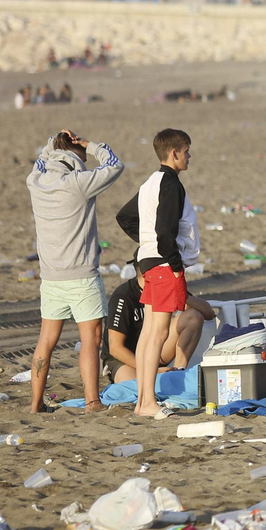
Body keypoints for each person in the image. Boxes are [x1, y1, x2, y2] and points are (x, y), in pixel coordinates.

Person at [24, 130, 125, 412]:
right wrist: (91, 145)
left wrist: (55, 139)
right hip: (81, 275)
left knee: (46, 340)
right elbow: (115, 165)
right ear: (76, 155)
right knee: (90, 340)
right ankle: (93, 401)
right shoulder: (79, 182)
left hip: (51, 276)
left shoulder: (36, 180)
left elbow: (42, 158)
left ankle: (35, 404)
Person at [116, 128, 199, 416]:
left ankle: (142, 402)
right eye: (187, 151)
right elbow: (165, 231)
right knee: (158, 334)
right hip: (164, 265)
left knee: (150, 333)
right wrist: (175, 264)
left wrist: (147, 243)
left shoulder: (150, 182)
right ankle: (148, 402)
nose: (190, 156)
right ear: (174, 153)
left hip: (150, 262)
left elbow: (125, 216)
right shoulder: (171, 184)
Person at [103, 273, 215, 384]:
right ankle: (157, 378)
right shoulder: (123, 296)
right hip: (126, 360)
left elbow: (209, 313)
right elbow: (115, 348)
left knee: (193, 316)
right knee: (132, 385)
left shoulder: (165, 285)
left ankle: (179, 373)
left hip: (156, 350)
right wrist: (153, 371)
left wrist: (180, 294)